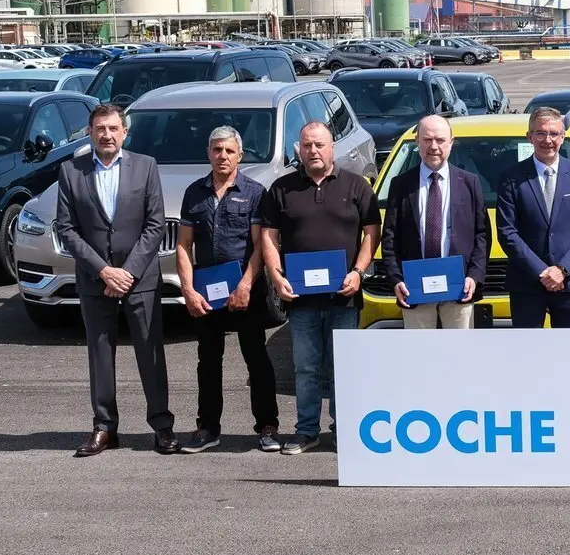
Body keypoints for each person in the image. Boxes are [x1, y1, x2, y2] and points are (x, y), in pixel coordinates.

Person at [55, 103, 178, 456]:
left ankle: (162, 427)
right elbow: (66, 228)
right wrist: (103, 270)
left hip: (139, 279)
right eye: (99, 129)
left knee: (150, 354)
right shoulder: (71, 171)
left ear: (124, 132)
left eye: (112, 128)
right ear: (90, 133)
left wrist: (128, 272)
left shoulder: (145, 167)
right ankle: (105, 428)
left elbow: (156, 225)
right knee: (100, 355)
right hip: (96, 280)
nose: (106, 135)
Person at [260, 121, 380, 455]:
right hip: (300, 300)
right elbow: (268, 237)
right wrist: (276, 275)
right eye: (307, 145)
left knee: (343, 366)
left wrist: (358, 271)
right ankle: (306, 430)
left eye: (320, 145)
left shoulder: (356, 186)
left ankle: (344, 429)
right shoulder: (281, 189)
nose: (313, 151)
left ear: (332, 147)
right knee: (306, 367)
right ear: (298, 148)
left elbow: (372, 232)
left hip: (343, 295)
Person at [175, 126, 282, 453]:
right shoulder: (194, 193)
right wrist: (189, 290)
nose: (223, 156)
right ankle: (207, 428)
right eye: (217, 150)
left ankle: (267, 426)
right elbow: (183, 246)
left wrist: (246, 285)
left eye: (229, 151)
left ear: (240, 155)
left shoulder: (253, 192)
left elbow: (260, 246)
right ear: (209, 153)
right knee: (208, 361)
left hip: (246, 291)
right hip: (208, 292)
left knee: (256, 358)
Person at [380, 115, 490, 328]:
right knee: (420, 357)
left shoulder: (470, 183)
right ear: (417, 142)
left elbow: (481, 234)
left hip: (459, 288)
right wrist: (396, 279)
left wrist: (474, 276)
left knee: (458, 356)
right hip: (414, 288)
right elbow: (390, 238)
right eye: (427, 140)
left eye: (440, 140)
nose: (434, 147)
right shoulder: (401, 185)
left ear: (451, 142)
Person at [496, 107, 570, 328]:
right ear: (529, 137)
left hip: (568, 282)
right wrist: (542, 272)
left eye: (554, 134)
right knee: (527, 353)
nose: (547, 140)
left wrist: (562, 270)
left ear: (562, 137)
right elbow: (507, 232)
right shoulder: (511, 178)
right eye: (540, 133)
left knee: (569, 353)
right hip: (526, 283)